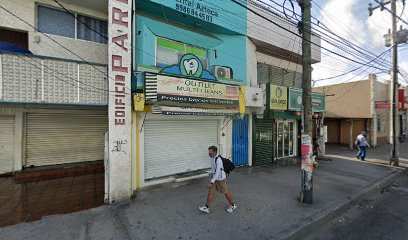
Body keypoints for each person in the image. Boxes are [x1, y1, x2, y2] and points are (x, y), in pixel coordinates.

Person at [199, 146, 237, 214]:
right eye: (209, 152)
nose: (209, 153)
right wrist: (211, 174)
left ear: (215, 152)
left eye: (210, 152)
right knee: (211, 191)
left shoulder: (218, 160)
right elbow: (214, 169)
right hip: (216, 178)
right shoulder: (212, 158)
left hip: (220, 179)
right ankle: (206, 207)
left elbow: (218, 172)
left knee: (225, 192)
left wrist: (211, 181)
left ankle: (233, 205)